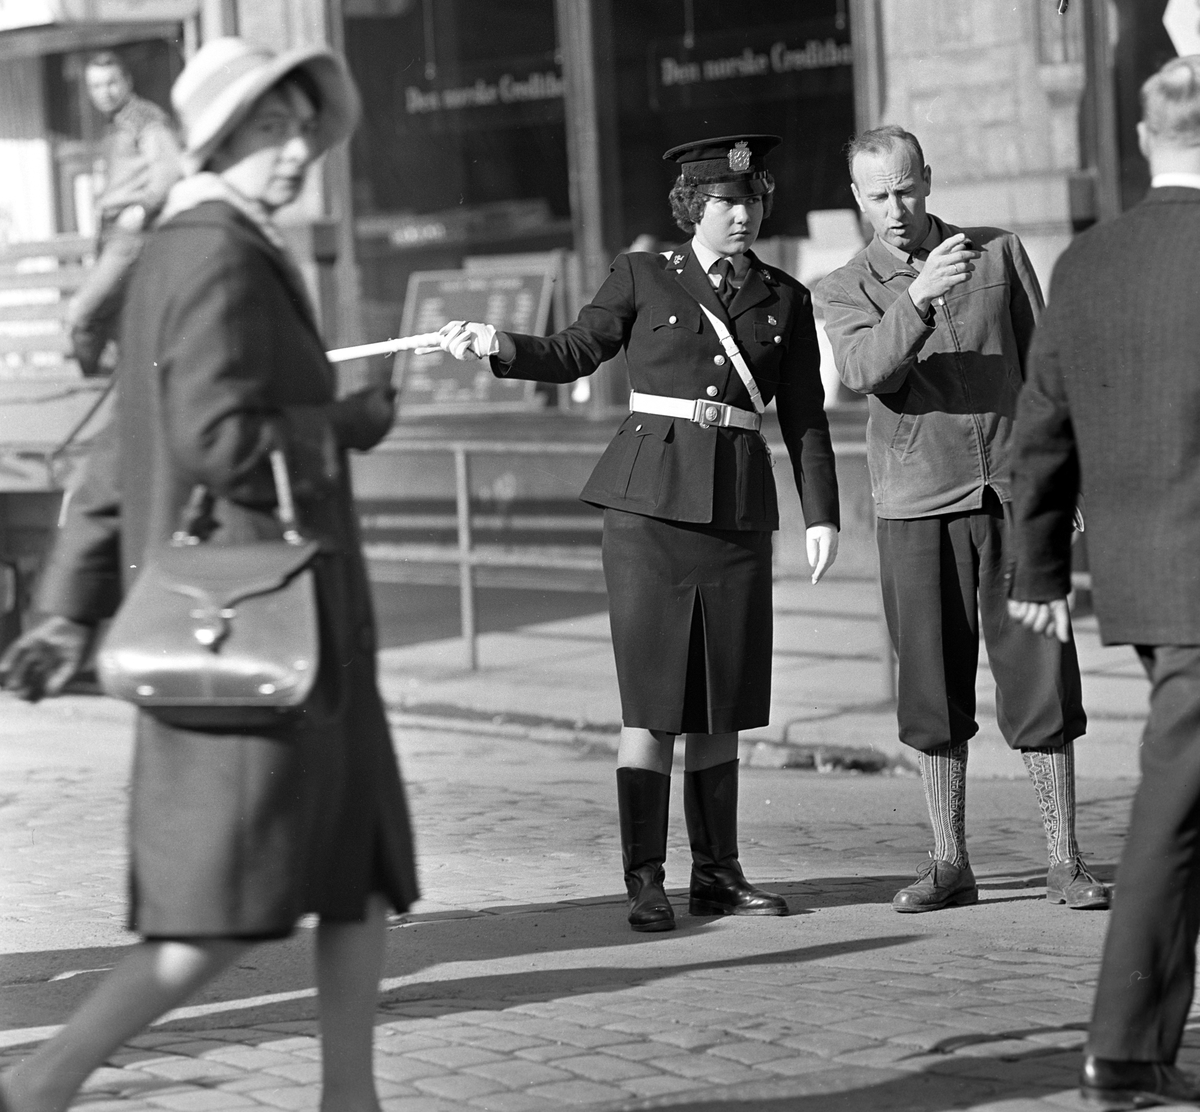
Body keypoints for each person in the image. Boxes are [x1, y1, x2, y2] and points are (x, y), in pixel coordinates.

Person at [0, 36, 417, 1112]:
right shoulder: (215, 252)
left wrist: (58, 610)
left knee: (354, 873)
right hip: (249, 630)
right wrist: (345, 424)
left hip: (296, 630)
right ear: (218, 139)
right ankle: (43, 1078)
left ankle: (350, 1098)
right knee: (214, 912)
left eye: (298, 130)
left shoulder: (199, 246)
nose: (293, 154)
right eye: (267, 132)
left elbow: (117, 456)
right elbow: (216, 436)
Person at [438, 135, 840, 932]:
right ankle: (647, 878)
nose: (740, 215)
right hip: (648, 507)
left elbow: (804, 419)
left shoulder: (785, 297)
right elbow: (575, 351)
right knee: (653, 704)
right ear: (693, 206)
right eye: (724, 202)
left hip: (733, 507)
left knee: (722, 700)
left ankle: (719, 875)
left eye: (752, 200)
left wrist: (821, 512)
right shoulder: (644, 274)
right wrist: (499, 345)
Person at [814, 125, 1108, 914]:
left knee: (1042, 671)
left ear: (928, 180)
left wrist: (1062, 476)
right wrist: (917, 297)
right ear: (857, 199)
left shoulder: (1000, 252)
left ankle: (1065, 859)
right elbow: (863, 370)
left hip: (1013, 492)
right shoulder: (843, 287)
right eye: (878, 195)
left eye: (906, 188)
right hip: (916, 502)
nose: (896, 208)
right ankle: (949, 862)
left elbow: (1047, 365)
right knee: (932, 688)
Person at [1008, 56, 1200, 1108]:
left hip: (1143, 573)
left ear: (1140, 137)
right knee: (1177, 801)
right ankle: (1123, 1045)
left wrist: (1038, 567)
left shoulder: (1086, 259)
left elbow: (1040, 426)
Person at [68, 51, 184, 375]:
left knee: (83, 313)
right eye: (96, 87)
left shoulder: (144, 118)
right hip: (110, 230)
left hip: (131, 231)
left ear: (127, 82)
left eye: (111, 83)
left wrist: (142, 208)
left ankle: (94, 391)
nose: (105, 92)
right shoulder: (113, 124)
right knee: (119, 324)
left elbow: (170, 168)